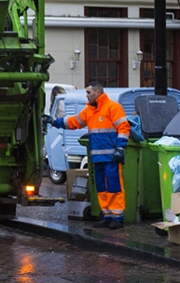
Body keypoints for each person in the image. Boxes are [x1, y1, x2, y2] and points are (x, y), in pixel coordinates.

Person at [43, 82, 130, 229]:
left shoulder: (112, 107)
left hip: (111, 157)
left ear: (97, 93)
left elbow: (123, 127)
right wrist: (54, 121)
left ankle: (117, 217)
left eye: (89, 93)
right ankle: (108, 216)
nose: (87, 95)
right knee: (102, 187)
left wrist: (120, 148)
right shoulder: (90, 111)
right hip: (98, 157)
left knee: (114, 186)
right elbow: (73, 122)